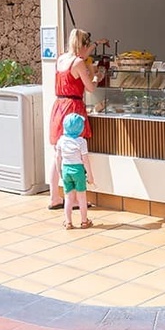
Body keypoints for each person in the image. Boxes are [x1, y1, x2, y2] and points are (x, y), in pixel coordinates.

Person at [48, 28, 105, 209]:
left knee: (58, 153)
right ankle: (74, 199)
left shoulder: (61, 59)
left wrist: (97, 44)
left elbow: (81, 55)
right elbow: (90, 88)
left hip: (59, 107)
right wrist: (97, 77)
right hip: (73, 109)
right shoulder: (78, 62)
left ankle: (54, 197)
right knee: (75, 156)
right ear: (82, 45)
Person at [55, 113, 95, 229]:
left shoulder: (61, 140)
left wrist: (59, 171)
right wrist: (90, 176)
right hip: (78, 171)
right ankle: (84, 221)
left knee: (68, 198)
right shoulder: (81, 142)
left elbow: (57, 157)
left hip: (66, 170)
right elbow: (85, 160)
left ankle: (68, 222)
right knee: (81, 197)